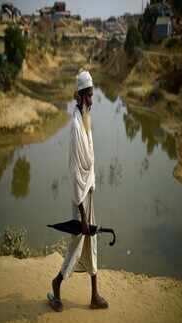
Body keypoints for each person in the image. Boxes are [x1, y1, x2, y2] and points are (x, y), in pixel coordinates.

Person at [47, 70, 109, 312]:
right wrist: (82, 215)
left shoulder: (86, 120)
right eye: (90, 96)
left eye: (93, 95)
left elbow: (89, 165)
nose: (93, 101)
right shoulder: (75, 126)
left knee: (92, 243)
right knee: (76, 244)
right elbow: (74, 174)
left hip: (89, 194)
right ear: (82, 95)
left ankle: (94, 295)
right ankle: (56, 284)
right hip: (80, 201)